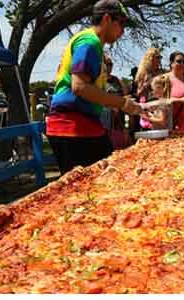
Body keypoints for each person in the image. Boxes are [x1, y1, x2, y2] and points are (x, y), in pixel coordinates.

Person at [45, 0, 142, 174]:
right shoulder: (90, 43)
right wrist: (122, 103)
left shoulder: (88, 42)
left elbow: (88, 89)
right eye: (121, 23)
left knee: (105, 176)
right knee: (90, 187)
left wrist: (119, 101)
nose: (123, 31)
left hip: (81, 125)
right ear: (106, 19)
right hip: (73, 126)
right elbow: (80, 87)